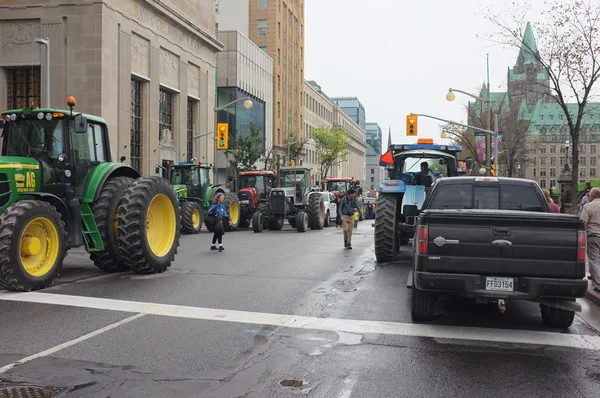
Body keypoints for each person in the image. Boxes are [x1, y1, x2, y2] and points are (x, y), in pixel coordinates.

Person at [580, 187, 600, 292]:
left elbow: (584, 223)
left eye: (589, 195)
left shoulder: (588, 206)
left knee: (594, 260)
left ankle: (598, 284)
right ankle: (595, 276)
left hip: (594, 236)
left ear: (592, 196)